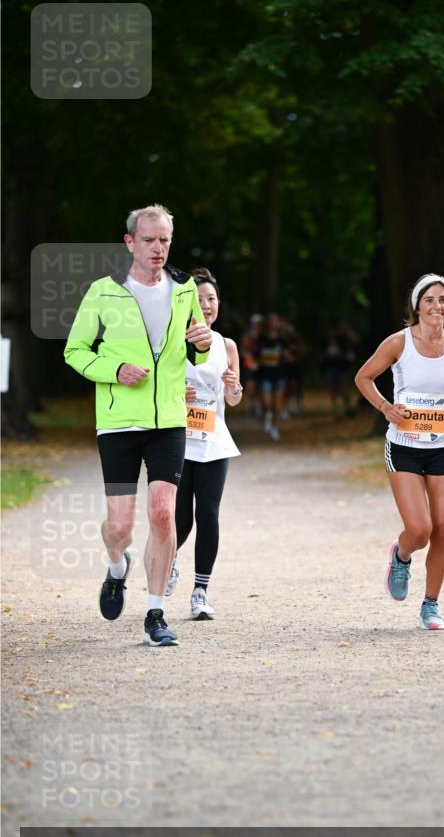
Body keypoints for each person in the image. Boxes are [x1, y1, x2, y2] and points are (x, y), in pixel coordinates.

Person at [64, 204, 212, 646]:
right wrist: (115, 370)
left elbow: (197, 349)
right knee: (122, 527)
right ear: (130, 242)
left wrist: (202, 345)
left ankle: (154, 613)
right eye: (149, 240)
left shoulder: (185, 290)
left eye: (164, 240)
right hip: (119, 421)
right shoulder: (103, 292)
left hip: (168, 418)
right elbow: (75, 351)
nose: (158, 248)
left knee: (163, 513)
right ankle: (116, 566)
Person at [355, 273, 444, 630]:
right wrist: (385, 408)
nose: (436, 306)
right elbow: (363, 378)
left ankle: (431, 605)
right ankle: (402, 553)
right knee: (421, 528)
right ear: (416, 306)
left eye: (442, 300)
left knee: (443, 529)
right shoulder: (399, 343)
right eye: (429, 300)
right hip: (404, 446)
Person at [166, 267, 242, 619]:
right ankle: (167, 562)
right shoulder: (170, 342)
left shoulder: (227, 345)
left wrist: (233, 387)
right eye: (199, 300)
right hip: (177, 441)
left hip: (213, 440)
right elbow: (157, 388)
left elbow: (236, 398)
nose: (207, 305)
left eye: (211, 299)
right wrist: (175, 393)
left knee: (208, 513)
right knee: (180, 519)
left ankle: (200, 591)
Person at [257, 312, 288, 440]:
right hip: (265, 374)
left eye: (275, 320)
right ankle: (268, 416)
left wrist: (288, 356)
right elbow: (255, 355)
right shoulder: (261, 338)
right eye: (270, 320)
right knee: (267, 403)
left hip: (279, 375)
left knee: (278, 403)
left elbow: (290, 354)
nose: (273, 323)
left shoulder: (283, 339)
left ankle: (275, 427)